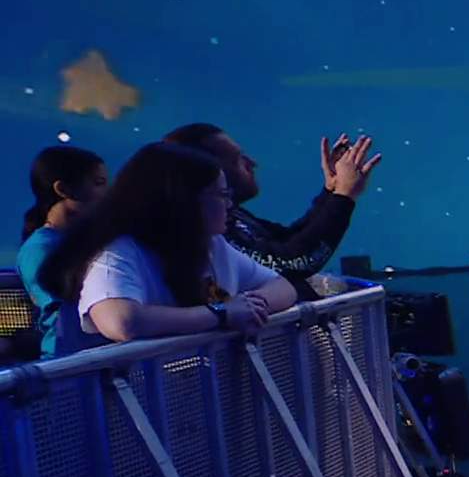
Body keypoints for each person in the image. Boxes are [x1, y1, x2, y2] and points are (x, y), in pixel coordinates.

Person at [36, 141, 297, 344]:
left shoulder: (211, 245)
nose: (230, 203)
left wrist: (248, 307)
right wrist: (222, 313)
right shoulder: (118, 251)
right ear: (182, 201)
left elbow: (282, 287)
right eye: (221, 194)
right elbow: (121, 321)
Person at [162, 123, 378, 297]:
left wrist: (332, 191)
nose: (252, 163)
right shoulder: (210, 236)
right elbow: (292, 264)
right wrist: (344, 196)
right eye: (238, 159)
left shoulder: (230, 219)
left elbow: (287, 243)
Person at [15, 145, 110, 358]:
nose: (108, 193)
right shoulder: (40, 248)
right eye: (99, 183)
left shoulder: (87, 241)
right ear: (63, 189)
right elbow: (62, 309)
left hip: (101, 358)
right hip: (68, 361)